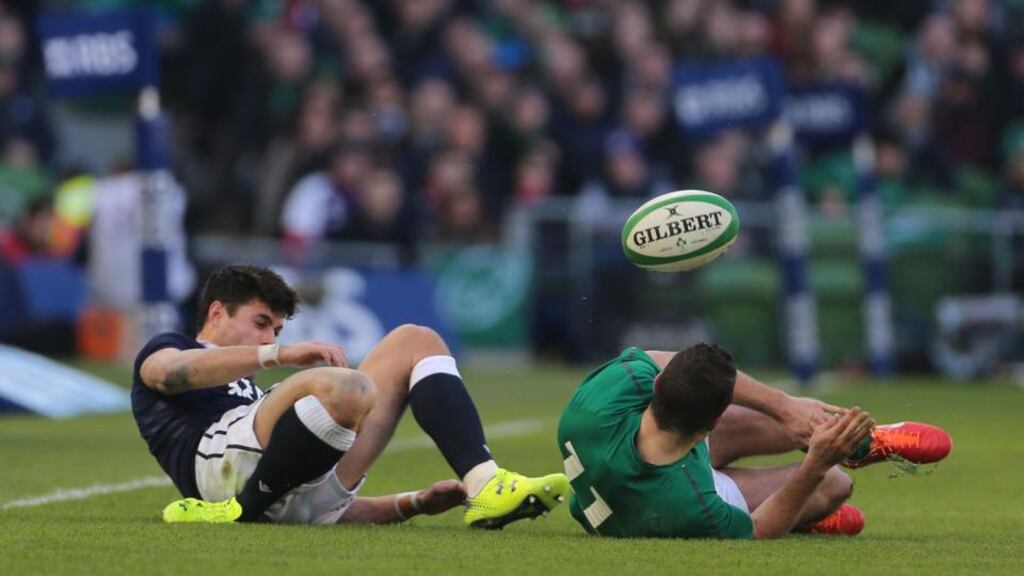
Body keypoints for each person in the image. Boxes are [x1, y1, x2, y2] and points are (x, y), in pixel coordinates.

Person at [134, 265, 568, 526]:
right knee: (345, 386)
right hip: (220, 468)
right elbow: (169, 374)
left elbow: (306, 511)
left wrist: (410, 504)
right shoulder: (171, 347)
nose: (269, 336)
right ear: (215, 312)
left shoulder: (253, 393)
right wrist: (279, 354)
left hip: (271, 479)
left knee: (416, 340)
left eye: (277, 330)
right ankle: (241, 510)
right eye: (261, 322)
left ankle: (485, 484)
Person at [557, 344, 952, 539]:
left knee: (782, 413)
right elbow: (758, 530)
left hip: (626, 483)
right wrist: (815, 464)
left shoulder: (595, 404)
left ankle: (861, 443)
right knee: (834, 484)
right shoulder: (693, 505)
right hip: (659, 496)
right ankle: (819, 490)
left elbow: (664, 359)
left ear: (657, 385)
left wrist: (784, 405)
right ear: (712, 425)